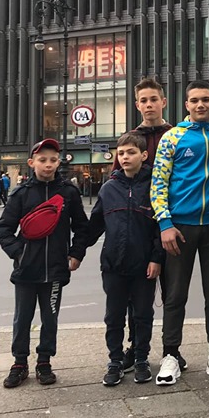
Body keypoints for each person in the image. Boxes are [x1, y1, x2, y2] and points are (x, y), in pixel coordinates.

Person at [151, 80, 209, 385]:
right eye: (195, 100)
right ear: (186, 105)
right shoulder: (173, 137)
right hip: (179, 228)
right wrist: (165, 224)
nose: (200, 105)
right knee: (175, 295)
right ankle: (171, 355)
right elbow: (158, 183)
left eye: (206, 99)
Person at [0, 138, 89, 389]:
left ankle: (44, 361)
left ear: (59, 162)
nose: (48, 164)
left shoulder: (69, 192)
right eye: (42, 160)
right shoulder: (21, 194)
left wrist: (76, 254)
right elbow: (4, 229)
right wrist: (19, 254)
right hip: (26, 270)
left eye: (53, 160)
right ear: (31, 162)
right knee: (22, 318)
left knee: (50, 318)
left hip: (56, 269)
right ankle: (19, 363)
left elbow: (82, 227)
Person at [88, 131, 164, 387]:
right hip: (113, 265)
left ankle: (141, 358)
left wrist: (156, 258)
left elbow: (160, 227)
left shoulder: (154, 187)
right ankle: (115, 360)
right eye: (121, 153)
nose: (125, 157)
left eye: (131, 152)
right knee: (114, 316)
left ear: (144, 155)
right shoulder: (109, 188)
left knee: (143, 315)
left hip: (144, 266)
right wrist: (75, 251)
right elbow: (94, 225)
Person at [114, 77, 177, 373]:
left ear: (163, 101)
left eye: (154, 99)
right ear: (137, 104)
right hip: (139, 230)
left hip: (171, 224)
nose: (149, 105)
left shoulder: (176, 134)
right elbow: (117, 180)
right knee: (136, 298)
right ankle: (136, 348)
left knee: (171, 294)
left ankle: (171, 350)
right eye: (144, 100)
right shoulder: (130, 139)